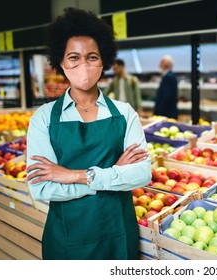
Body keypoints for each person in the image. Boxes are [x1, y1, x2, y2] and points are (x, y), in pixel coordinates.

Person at [26, 8, 151, 260]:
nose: (83, 64)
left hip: (118, 232)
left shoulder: (125, 113)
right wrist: (111, 176)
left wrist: (74, 175)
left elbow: (141, 174)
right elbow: (41, 188)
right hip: (66, 237)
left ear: (103, 61)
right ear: (61, 62)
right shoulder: (43, 118)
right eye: (73, 57)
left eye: (92, 57)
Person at [153, 55, 178, 119]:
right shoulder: (169, 76)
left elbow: (166, 97)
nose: (159, 64)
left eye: (161, 62)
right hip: (168, 113)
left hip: (166, 114)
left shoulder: (168, 77)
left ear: (166, 64)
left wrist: (158, 113)